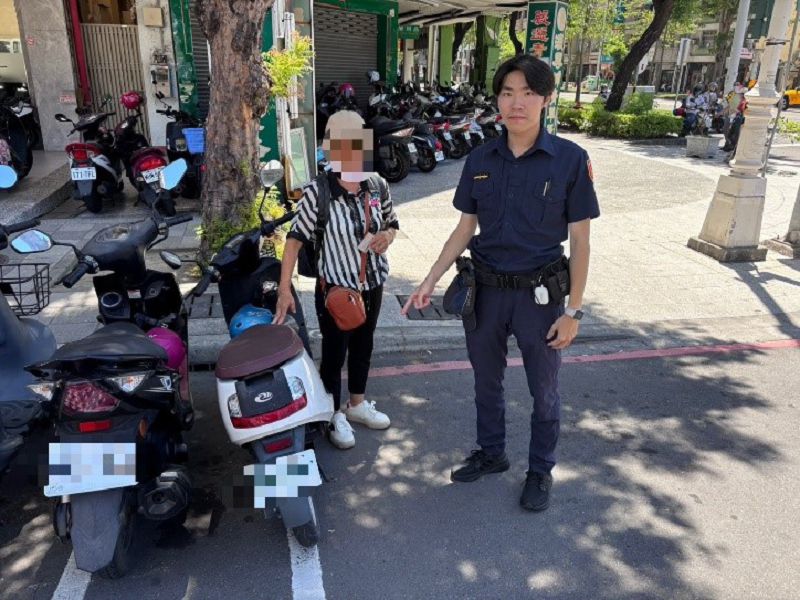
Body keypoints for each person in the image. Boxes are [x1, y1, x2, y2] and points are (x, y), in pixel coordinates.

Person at [402, 55, 600, 512]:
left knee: (543, 389)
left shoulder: (570, 160)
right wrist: (430, 278)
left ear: (546, 99)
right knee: (485, 380)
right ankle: (492, 453)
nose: (517, 103)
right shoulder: (480, 158)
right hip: (485, 293)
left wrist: (574, 311)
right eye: (508, 93)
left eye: (528, 93)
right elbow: (464, 228)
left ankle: (540, 469)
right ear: (497, 100)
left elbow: (581, 241)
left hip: (539, 298)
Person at [275, 110, 399, 449]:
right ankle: (332, 415)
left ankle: (356, 405)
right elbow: (294, 241)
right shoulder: (318, 192)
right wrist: (285, 289)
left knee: (364, 345)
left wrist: (387, 236)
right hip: (336, 290)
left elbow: (392, 222)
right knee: (334, 352)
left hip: (372, 283)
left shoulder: (377, 184)